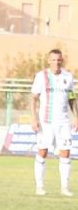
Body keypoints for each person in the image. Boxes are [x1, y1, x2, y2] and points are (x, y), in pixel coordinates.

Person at [30, 49, 77, 197]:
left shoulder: (68, 77)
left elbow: (71, 98)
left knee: (65, 153)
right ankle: (40, 186)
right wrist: (34, 118)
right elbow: (33, 98)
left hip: (63, 121)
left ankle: (64, 187)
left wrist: (76, 116)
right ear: (48, 61)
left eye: (58, 60)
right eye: (53, 60)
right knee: (42, 151)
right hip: (46, 122)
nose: (56, 63)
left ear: (61, 61)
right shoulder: (41, 77)